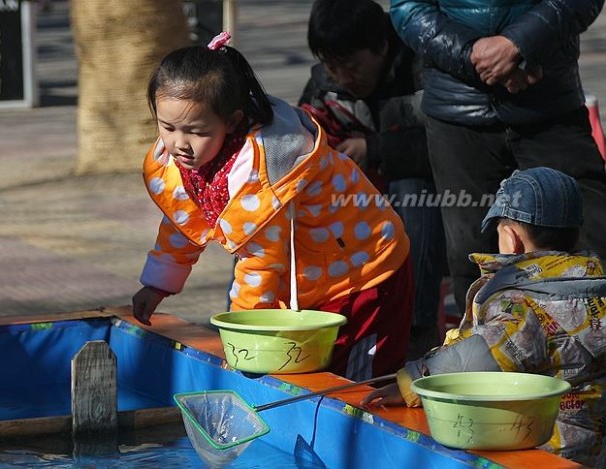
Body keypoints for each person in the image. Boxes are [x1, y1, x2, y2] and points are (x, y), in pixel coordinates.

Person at [132, 32, 415, 381]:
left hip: (366, 271)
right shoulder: (186, 161)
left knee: (355, 386)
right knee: (302, 377)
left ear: (232, 122)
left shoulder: (268, 173)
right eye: (168, 127)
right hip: (307, 277)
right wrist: (158, 283)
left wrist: (246, 341)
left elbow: (261, 262)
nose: (180, 144)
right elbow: (182, 219)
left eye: (196, 131)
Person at [362, 167, 606, 466]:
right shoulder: (595, 283)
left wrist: (412, 381)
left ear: (512, 238)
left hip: (543, 450)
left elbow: (478, 357)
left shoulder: (524, 303)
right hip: (593, 447)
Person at [389, 0, 606, 317]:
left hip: (549, 102)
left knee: (592, 238)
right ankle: (484, 350)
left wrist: (518, 45)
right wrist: (474, 57)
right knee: (470, 253)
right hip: (457, 110)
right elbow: (409, 8)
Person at [297, 0, 446, 358]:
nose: (343, 78)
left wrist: (375, 149)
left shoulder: (423, 66)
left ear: (381, 47)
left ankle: (417, 327)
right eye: (332, 67)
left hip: (434, 200)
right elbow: (301, 139)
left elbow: (448, 143)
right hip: (353, 209)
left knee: (413, 190)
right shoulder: (324, 84)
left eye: (351, 67)